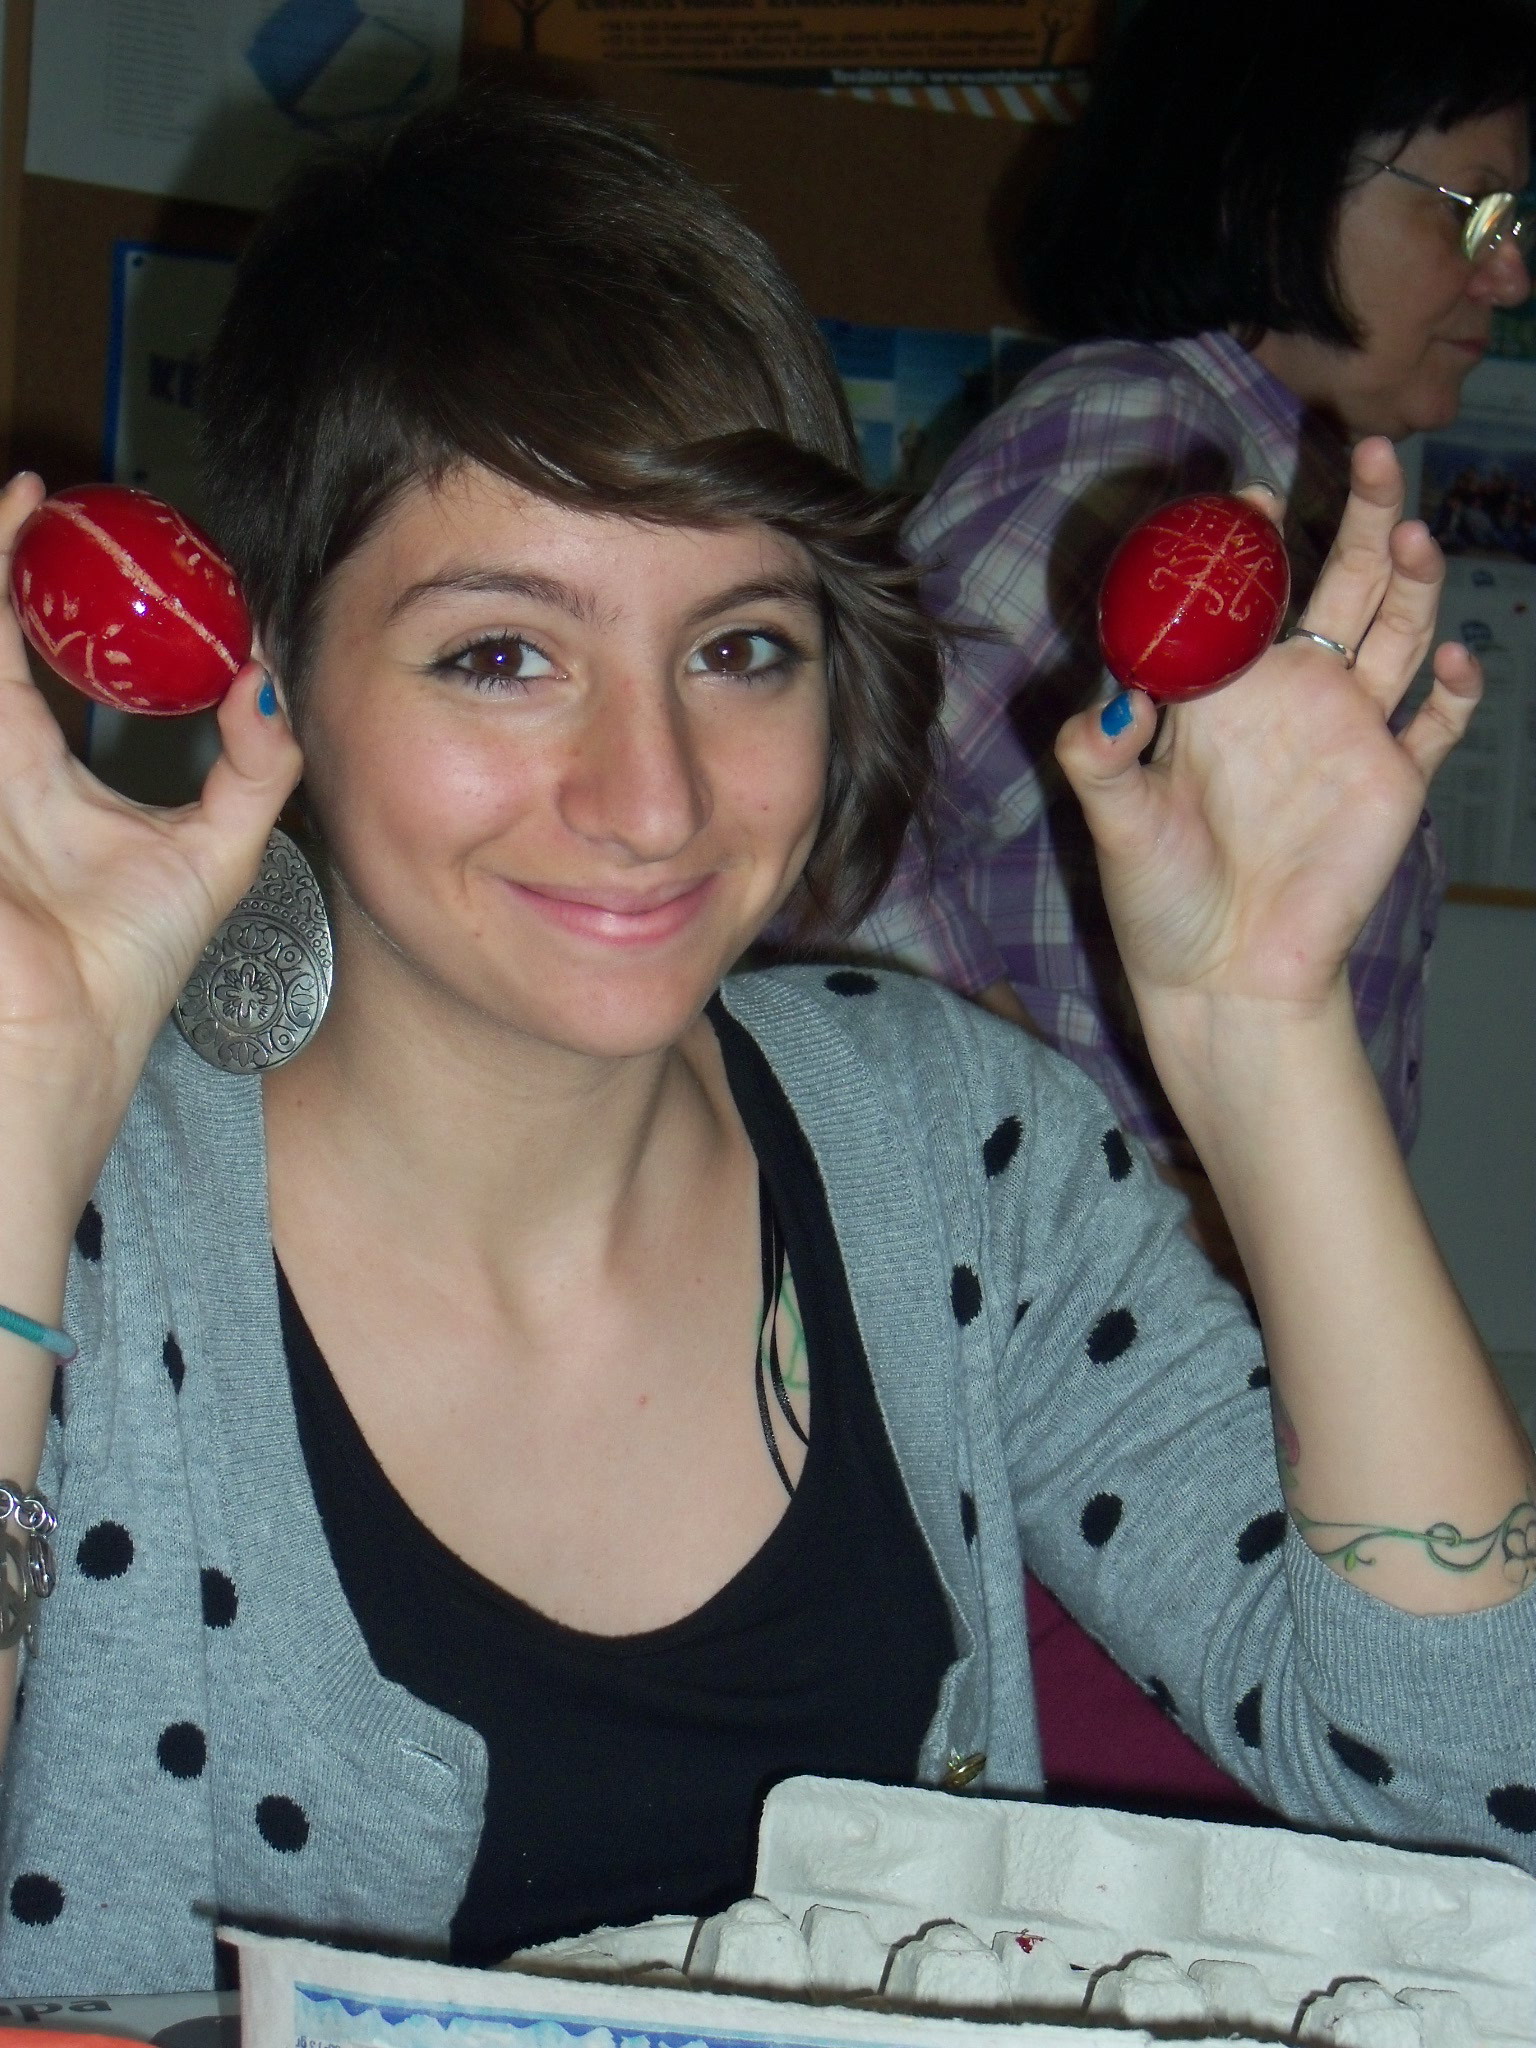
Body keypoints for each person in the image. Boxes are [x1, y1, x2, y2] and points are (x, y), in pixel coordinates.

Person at [0, 90, 1530, 1997]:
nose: (651, 795)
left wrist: (1262, 1031)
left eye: (738, 648)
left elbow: (1473, 1788)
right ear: (278, 669)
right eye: (501, 653)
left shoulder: (954, 1146)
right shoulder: (80, 1219)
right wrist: (21, 1127)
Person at [856, 0, 1536, 1194]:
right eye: (1473, 209)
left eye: (1515, 219)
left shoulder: (1275, 487)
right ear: (1274, 183)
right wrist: (1088, 1190)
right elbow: (846, 824)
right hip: (1086, 1302)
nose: (1511, 273)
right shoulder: (1143, 442)